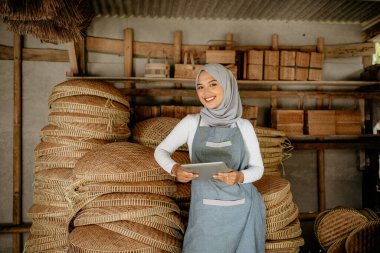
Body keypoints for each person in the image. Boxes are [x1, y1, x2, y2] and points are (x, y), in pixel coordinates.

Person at [154, 63, 265, 253]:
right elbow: (161, 150)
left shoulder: (243, 126)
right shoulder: (191, 123)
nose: (206, 92)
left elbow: (258, 169)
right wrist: (175, 169)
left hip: (241, 210)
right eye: (200, 86)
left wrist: (239, 177)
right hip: (205, 210)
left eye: (213, 84)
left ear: (227, 86)